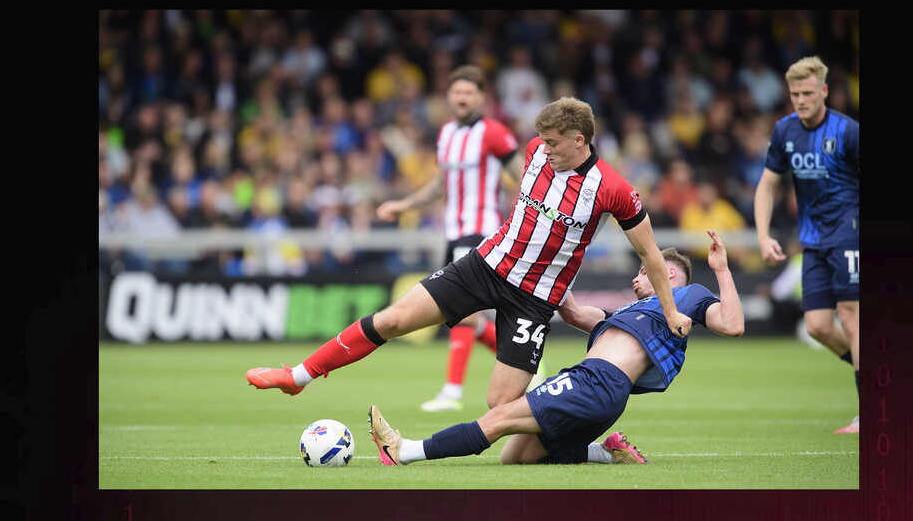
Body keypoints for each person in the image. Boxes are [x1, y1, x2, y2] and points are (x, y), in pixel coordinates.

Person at [246, 96, 693, 414]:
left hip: (534, 298)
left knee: (501, 406)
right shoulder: (535, 151)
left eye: (555, 143)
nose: (545, 148)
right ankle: (299, 376)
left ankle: (590, 437)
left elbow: (652, 255)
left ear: (579, 140)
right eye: (543, 142)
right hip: (485, 265)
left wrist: (670, 310)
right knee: (394, 319)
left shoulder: (613, 189)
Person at [368, 230, 744, 466]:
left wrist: (722, 271)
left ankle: (405, 451)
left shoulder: (688, 297)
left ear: (670, 273)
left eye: (645, 271)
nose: (635, 277)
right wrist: (549, 260)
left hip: (599, 382)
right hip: (601, 392)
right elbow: (576, 312)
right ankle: (607, 450)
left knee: (499, 419)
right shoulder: (629, 311)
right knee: (516, 455)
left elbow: (732, 325)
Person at [375, 65, 525, 412]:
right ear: (448, 96)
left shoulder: (493, 132)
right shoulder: (446, 134)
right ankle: (531, 370)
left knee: (461, 311)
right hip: (452, 232)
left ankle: (452, 392)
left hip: (480, 230)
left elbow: (522, 174)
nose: (462, 97)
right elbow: (442, 183)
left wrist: (524, 218)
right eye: (457, 92)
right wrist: (405, 204)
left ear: (481, 97)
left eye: (469, 92)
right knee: (461, 315)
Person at [753, 55, 859, 434]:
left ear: (825, 91)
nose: (801, 99)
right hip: (812, 241)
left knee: (850, 315)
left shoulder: (849, 131)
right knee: (817, 326)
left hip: (849, 233)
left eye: (808, 92)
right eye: (795, 93)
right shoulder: (784, 132)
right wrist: (764, 235)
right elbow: (768, 185)